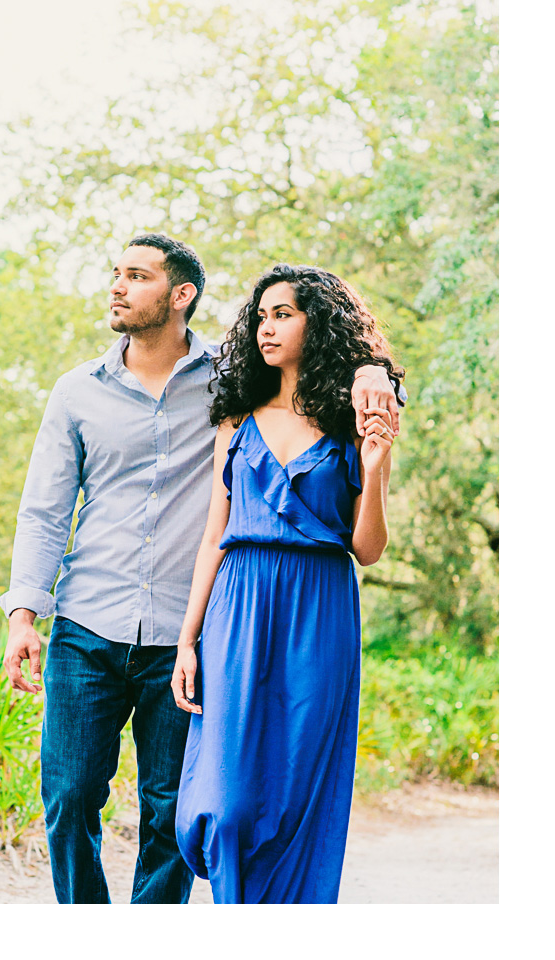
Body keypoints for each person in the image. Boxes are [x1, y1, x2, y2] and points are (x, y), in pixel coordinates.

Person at [0, 236, 403, 904]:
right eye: (115, 274)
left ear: (180, 293)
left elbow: (350, 359)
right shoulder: (79, 393)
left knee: (171, 811)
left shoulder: (228, 377)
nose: (117, 287)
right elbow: (43, 511)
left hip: (203, 626)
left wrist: (375, 379)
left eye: (136, 275)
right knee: (69, 796)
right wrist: (23, 614)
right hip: (91, 619)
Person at [171, 264, 404, 904]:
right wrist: (188, 641)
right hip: (238, 606)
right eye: (263, 316)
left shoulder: (351, 420)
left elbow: (368, 548)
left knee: (299, 792)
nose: (268, 327)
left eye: (285, 315)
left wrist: (376, 465)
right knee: (226, 802)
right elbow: (214, 533)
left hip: (319, 606)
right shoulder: (237, 418)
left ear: (317, 324)